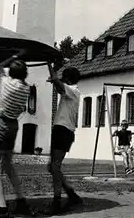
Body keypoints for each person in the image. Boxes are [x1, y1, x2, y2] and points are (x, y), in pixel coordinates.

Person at [0, 54, 33, 218]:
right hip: (13, 125)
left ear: (11, 72)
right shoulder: (26, 88)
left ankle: (2, 208)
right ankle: (21, 201)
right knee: (8, 165)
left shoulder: (6, 83)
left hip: (0, 124)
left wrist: (13, 56)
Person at [46, 63, 83, 215]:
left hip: (64, 131)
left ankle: (57, 202)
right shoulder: (69, 93)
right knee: (52, 167)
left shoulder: (74, 91)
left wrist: (55, 78)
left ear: (67, 79)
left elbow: (60, 87)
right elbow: (59, 87)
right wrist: (54, 79)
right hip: (61, 130)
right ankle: (71, 194)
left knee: (54, 166)